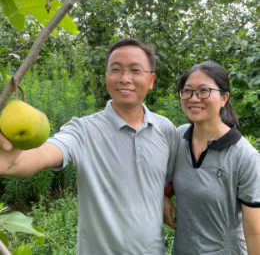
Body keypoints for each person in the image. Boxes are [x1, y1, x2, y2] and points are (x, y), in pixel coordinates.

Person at [0, 38, 178, 255]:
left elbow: (167, 181)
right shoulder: (82, 130)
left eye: (135, 70)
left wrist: (162, 196)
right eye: (116, 70)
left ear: (151, 80)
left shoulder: (166, 129)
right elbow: (44, 153)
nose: (125, 78)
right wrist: (10, 161)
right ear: (106, 77)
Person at [164, 61, 260, 255]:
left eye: (204, 91)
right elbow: (171, 185)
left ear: (224, 98)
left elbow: (254, 232)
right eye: (187, 91)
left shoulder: (244, 155)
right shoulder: (179, 137)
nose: (194, 98)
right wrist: (162, 197)